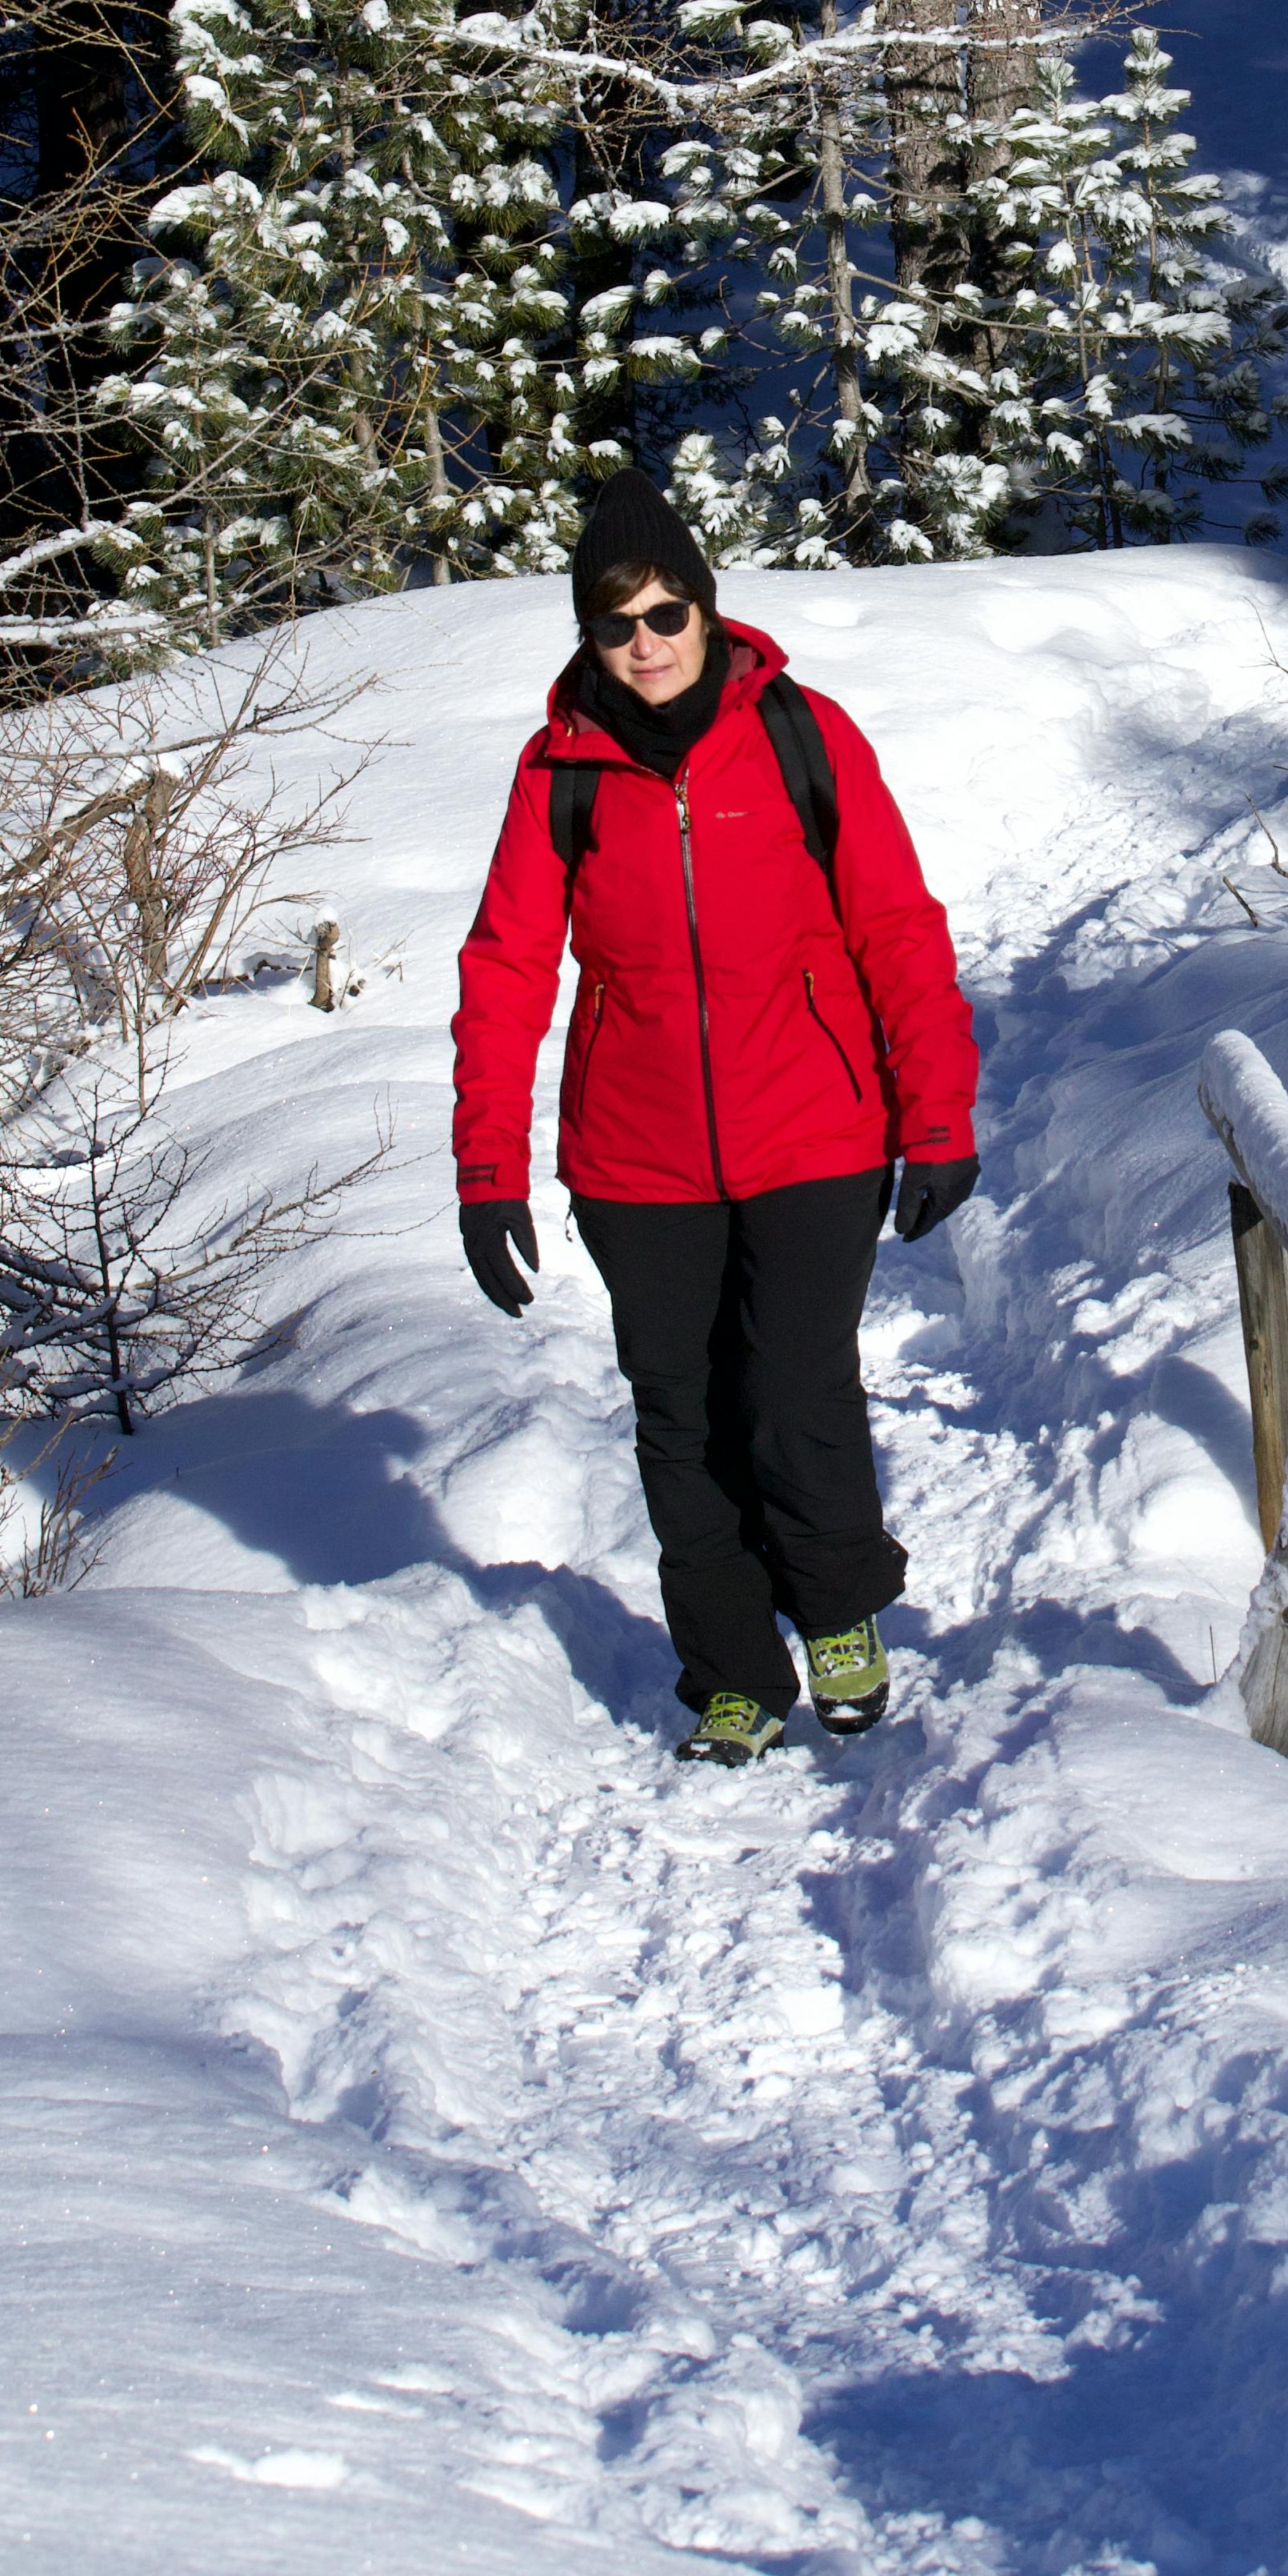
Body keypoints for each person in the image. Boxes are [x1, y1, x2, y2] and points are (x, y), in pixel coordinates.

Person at [450, 470, 979, 1765]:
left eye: (666, 614)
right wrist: (486, 1173)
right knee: (680, 1419)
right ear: (588, 632)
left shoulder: (804, 735)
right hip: (638, 1159)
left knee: (796, 1389)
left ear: (708, 608)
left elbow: (896, 927)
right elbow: (507, 966)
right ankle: (734, 1671)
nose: (646, 644)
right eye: (617, 623)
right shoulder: (559, 770)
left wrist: (938, 1114)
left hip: (814, 1128)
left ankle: (840, 1609)